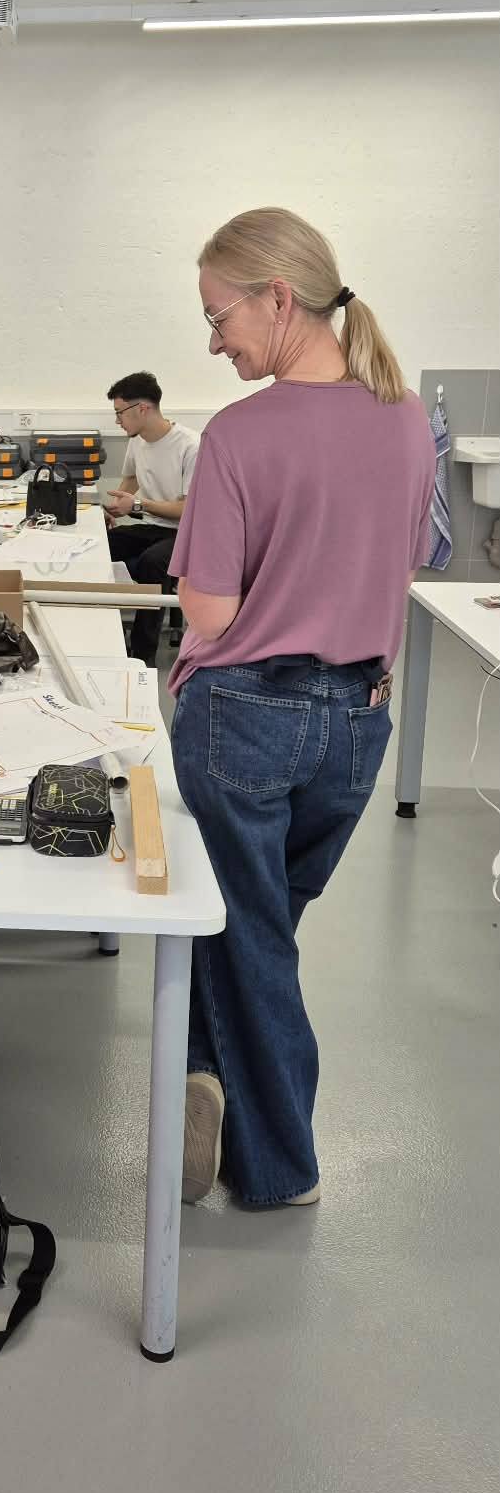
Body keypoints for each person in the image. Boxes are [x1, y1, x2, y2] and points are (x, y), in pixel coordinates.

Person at [167, 208, 435, 1211]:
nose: (214, 342)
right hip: (357, 719)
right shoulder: (405, 418)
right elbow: (402, 565)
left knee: (247, 933)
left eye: (218, 316)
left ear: (277, 299)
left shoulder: (239, 435)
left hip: (244, 712)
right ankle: (202, 1071)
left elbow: (208, 609)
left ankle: (280, 1165)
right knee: (259, 921)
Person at [103, 372, 200, 666]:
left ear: (142, 408)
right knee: (100, 544)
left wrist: (137, 504)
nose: (117, 420)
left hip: (188, 533)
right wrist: (112, 508)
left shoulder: (191, 446)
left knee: (152, 562)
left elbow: (188, 510)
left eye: (120, 413)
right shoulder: (138, 440)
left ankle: (143, 655)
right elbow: (131, 478)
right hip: (154, 526)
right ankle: (102, 634)